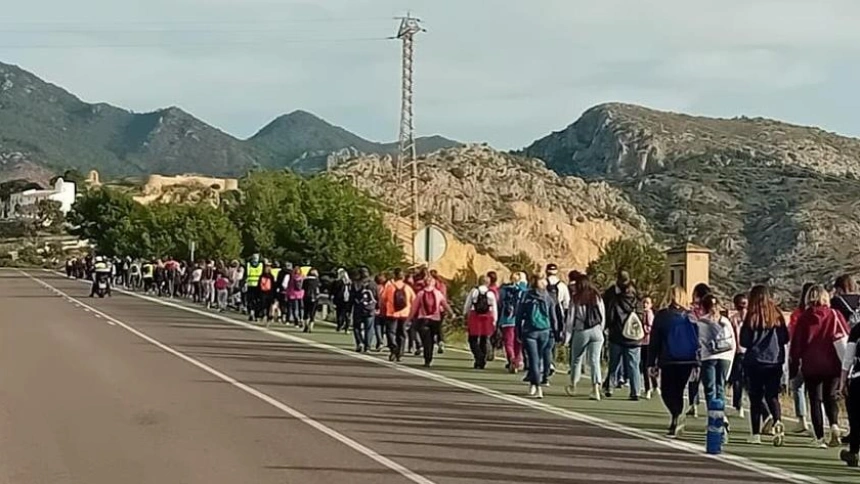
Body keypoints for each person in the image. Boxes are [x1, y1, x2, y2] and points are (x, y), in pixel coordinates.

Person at [790, 284, 850, 448]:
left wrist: (794, 365)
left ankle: (819, 437)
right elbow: (846, 336)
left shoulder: (804, 318)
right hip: (833, 363)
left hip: (811, 364)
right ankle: (834, 425)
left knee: (815, 399)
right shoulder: (834, 315)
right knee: (831, 397)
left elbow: (796, 345)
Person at [647, 286, 699, 438]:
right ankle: (677, 417)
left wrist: (651, 362)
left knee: (668, 391)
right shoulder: (691, 316)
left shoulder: (662, 315)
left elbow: (654, 341)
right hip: (688, 359)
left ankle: (676, 415)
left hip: (669, 359)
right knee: (679, 389)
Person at [741, 285, 789, 446]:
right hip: (774, 360)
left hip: (755, 361)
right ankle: (777, 421)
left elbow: (744, 341)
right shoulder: (777, 315)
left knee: (755, 398)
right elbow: (785, 338)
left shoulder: (752, 316)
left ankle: (755, 434)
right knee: (772, 395)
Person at [516, 275, 559, 399]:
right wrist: (555, 332)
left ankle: (536, 385)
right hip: (545, 331)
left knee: (533, 360)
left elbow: (519, 315)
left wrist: (518, 331)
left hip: (530, 332)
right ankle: (537, 382)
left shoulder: (526, 296)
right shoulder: (548, 297)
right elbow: (553, 317)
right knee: (540, 358)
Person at [564, 276, 605, 400]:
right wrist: (600, 329)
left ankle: (573, 385)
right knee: (594, 360)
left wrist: (567, 337)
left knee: (576, 359)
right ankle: (596, 387)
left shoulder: (576, 299)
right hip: (597, 331)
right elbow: (602, 315)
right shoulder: (596, 296)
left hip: (581, 331)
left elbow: (570, 319)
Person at [603, 270, 642, 400]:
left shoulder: (613, 296)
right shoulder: (638, 297)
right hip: (634, 336)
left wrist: (607, 327)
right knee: (634, 365)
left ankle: (609, 386)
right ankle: (635, 391)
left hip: (617, 334)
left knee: (614, 363)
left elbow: (609, 314)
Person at [697, 294, 736, 409]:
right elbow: (732, 342)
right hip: (725, 356)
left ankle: (712, 416)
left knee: (710, 388)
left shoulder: (701, 322)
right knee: (720, 387)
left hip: (708, 357)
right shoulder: (725, 321)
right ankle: (721, 414)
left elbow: (698, 342)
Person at [788, 282, 815, 433]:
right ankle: (820, 421)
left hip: (800, 354)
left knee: (798, 387)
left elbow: (792, 335)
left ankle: (802, 419)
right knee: (816, 392)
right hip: (817, 357)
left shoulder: (797, 315)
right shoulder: (827, 313)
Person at [409, 276, 451, 367]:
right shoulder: (438, 293)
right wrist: (451, 313)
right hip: (435, 319)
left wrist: (409, 318)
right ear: (434, 283)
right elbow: (445, 304)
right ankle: (430, 355)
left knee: (426, 340)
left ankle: (427, 359)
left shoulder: (420, 294)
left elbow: (414, 308)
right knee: (431, 339)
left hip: (423, 319)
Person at [687, 283, 712, 417]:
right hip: (711, 350)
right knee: (710, 382)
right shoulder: (712, 311)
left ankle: (693, 404)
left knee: (694, 378)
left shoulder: (693, 312)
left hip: (696, 348)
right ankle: (713, 409)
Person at [464, 276, 499, 370]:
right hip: (487, 317)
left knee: (472, 339)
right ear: (488, 283)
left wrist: (465, 314)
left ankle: (478, 357)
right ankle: (482, 359)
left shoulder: (474, 291)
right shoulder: (491, 293)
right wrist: (495, 320)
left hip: (475, 316)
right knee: (484, 338)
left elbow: (468, 304)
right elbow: (494, 308)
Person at [380, 268, 415, 362]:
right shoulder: (407, 288)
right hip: (404, 314)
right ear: (403, 277)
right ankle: (400, 352)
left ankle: (393, 348)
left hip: (391, 313)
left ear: (394, 277)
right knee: (402, 333)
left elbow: (383, 300)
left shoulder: (390, 287)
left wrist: (383, 310)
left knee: (390, 332)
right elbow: (414, 300)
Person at [840, 314, 860, 467]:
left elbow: (848, 358)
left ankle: (854, 451)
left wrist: (843, 380)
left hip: (858, 378)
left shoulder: (857, 330)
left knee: (855, 418)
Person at [498, 272, 527, 373]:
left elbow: (500, 303)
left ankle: (511, 359)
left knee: (508, 342)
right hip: (520, 320)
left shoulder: (504, 290)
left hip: (507, 319)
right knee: (518, 342)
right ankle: (518, 361)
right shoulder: (524, 290)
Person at [729, 293, 749, 418]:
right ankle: (739, 404)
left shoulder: (733, 319)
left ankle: (738, 405)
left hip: (739, 352)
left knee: (738, 380)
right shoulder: (752, 317)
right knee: (743, 381)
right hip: (747, 352)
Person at [351, 267, 379, 353]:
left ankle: (360, 342)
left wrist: (349, 309)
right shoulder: (373, 284)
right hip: (370, 309)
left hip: (358, 308)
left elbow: (351, 297)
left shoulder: (355, 283)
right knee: (369, 328)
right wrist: (378, 307)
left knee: (356, 327)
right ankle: (368, 346)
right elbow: (377, 296)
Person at [640, 297, 658, 400]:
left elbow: (650, 328)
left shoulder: (649, 315)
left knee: (647, 366)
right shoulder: (642, 314)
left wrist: (644, 328)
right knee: (646, 366)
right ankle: (653, 386)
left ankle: (649, 388)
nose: (645, 305)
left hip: (648, 343)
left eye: (647, 303)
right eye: (644, 302)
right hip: (642, 342)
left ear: (651, 304)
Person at [244, 254, 264, 322]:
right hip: (258, 286)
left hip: (250, 285)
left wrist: (244, 283)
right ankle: (256, 315)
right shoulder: (261, 265)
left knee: (250, 300)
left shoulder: (248, 265)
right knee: (257, 301)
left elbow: (245, 275)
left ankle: (252, 312)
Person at [331, 268, 352, 333]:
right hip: (348, 299)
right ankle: (346, 327)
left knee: (339, 313)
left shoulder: (337, 282)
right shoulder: (349, 282)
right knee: (346, 313)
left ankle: (340, 325)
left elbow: (333, 291)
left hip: (339, 299)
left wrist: (332, 298)